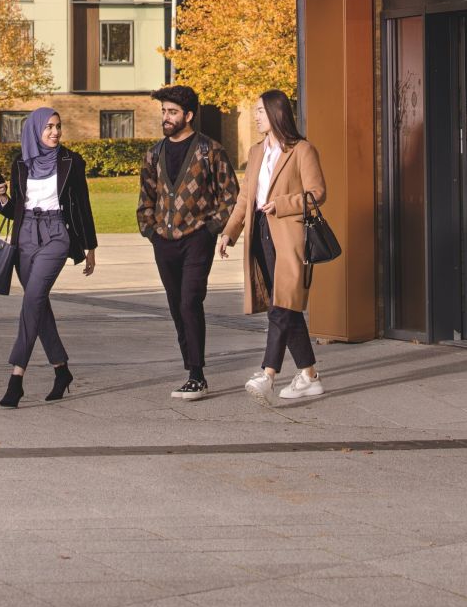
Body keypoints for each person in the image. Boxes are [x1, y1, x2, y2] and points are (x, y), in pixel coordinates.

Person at [221, 89, 326, 406]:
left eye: (259, 111)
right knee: (283, 306)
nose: (255, 116)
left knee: (282, 304)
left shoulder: (302, 150)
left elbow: (317, 193)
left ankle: (267, 374)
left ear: (276, 113)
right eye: (255, 111)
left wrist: (282, 204)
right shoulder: (255, 152)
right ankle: (309, 377)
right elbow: (245, 198)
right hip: (260, 233)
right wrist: (229, 232)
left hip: (289, 236)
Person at [135, 85, 237, 401]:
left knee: (190, 301)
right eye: (164, 111)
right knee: (176, 305)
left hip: (197, 239)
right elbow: (145, 198)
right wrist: (151, 232)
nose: (166, 117)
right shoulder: (154, 154)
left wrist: (210, 230)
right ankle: (190, 367)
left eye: (173, 112)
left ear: (188, 115)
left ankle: (197, 375)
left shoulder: (210, 151)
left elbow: (231, 196)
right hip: (163, 241)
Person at [0, 105, 96, 405]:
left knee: (33, 299)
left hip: (56, 235)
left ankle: (16, 378)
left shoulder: (71, 161)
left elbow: (83, 205)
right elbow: (16, 209)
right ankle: (62, 371)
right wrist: (2, 196)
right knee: (37, 305)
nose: (55, 132)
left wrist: (90, 248)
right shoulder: (21, 162)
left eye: (58, 126)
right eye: (49, 127)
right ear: (35, 130)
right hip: (26, 236)